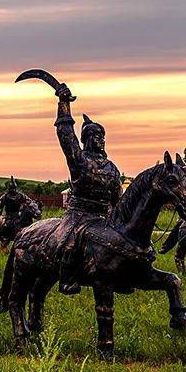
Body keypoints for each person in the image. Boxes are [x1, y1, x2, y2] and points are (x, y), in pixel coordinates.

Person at [53, 83, 122, 293]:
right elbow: (65, 135)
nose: (100, 140)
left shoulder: (112, 168)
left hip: (103, 216)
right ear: (87, 139)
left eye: (102, 136)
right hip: (79, 215)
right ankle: (67, 278)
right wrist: (63, 104)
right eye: (95, 136)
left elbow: (117, 198)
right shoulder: (79, 160)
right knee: (72, 240)